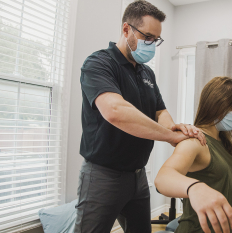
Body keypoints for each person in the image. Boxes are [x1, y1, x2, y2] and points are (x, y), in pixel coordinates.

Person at [75, 1, 206, 233]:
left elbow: (159, 111)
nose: (152, 44)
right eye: (148, 37)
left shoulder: (147, 72)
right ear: (126, 30)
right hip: (102, 176)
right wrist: (169, 137)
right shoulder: (98, 63)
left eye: (156, 40)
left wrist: (176, 128)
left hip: (138, 176)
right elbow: (115, 112)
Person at [154, 77, 232, 233]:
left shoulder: (224, 144)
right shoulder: (195, 142)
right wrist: (195, 188)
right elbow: (162, 178)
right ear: (216, 105)